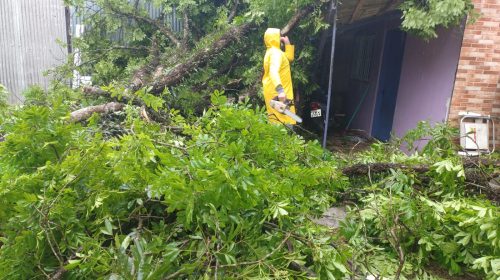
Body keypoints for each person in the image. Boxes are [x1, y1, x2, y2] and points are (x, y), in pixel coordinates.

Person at [262, 28, 296, 126]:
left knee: (279, 120)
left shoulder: (273, 51)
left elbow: (289, 58)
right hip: (278, 94)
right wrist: (280, 90)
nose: (281, 37)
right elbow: (273, 71)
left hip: (277, 93)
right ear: (275, 38)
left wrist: (287, 44)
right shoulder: (275, 53)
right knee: (283, 123)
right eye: (279, 36)